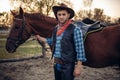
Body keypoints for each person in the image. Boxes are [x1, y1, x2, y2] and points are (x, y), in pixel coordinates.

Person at [35, 3, 86, 80]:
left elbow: (80, 50)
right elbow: (52, 41)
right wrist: (40, 38)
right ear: (57, 16)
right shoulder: (56, 29)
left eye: (63, 14)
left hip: (68, 65)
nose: (61, 17)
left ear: (68, 15)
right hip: (56, 64)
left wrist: (78, 67)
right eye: (59, 14)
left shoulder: (75, 29)